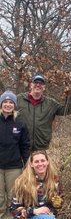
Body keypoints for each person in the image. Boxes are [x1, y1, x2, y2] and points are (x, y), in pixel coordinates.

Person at [17, 74, 71, 151]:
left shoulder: (50, 103)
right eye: (36, 82)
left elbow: (67, 110)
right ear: (31, 85)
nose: (38, 85)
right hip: (21, 146)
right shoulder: (18, 99)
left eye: (41, 83)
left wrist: (69, 96)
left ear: (44, 87)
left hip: (41, 146)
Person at [0, 91, 30, 219]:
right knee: (0, 196)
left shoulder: (20, 124)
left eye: (10, 102)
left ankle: (12, 217)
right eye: (5, 102)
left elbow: (25, 145)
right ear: (1, 105)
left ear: (14, 105)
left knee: (14, 195)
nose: (8, 105)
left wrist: (24, 162)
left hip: (14, 167)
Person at [10, 150, 64, 219]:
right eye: (36, 161)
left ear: (47, 162)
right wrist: (34, 211)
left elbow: (60, 203)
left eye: (42, 160)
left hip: (48, 215)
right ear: (31, 164)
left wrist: (58, 204)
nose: (40, 164)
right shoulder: (22, 182)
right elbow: (14, 210)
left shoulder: (55, 180)